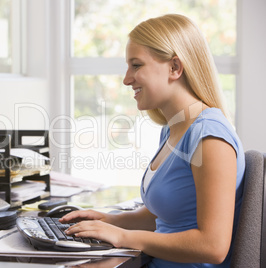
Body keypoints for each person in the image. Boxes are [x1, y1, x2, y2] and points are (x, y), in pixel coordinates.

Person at [60, 14, 245, 268]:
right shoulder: (174, 129)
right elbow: (164, 215)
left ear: (174, 68)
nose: (126, 79)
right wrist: (110, 220)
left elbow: (213, 247)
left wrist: (124, 237)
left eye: (136, 65)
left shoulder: (209, 137)